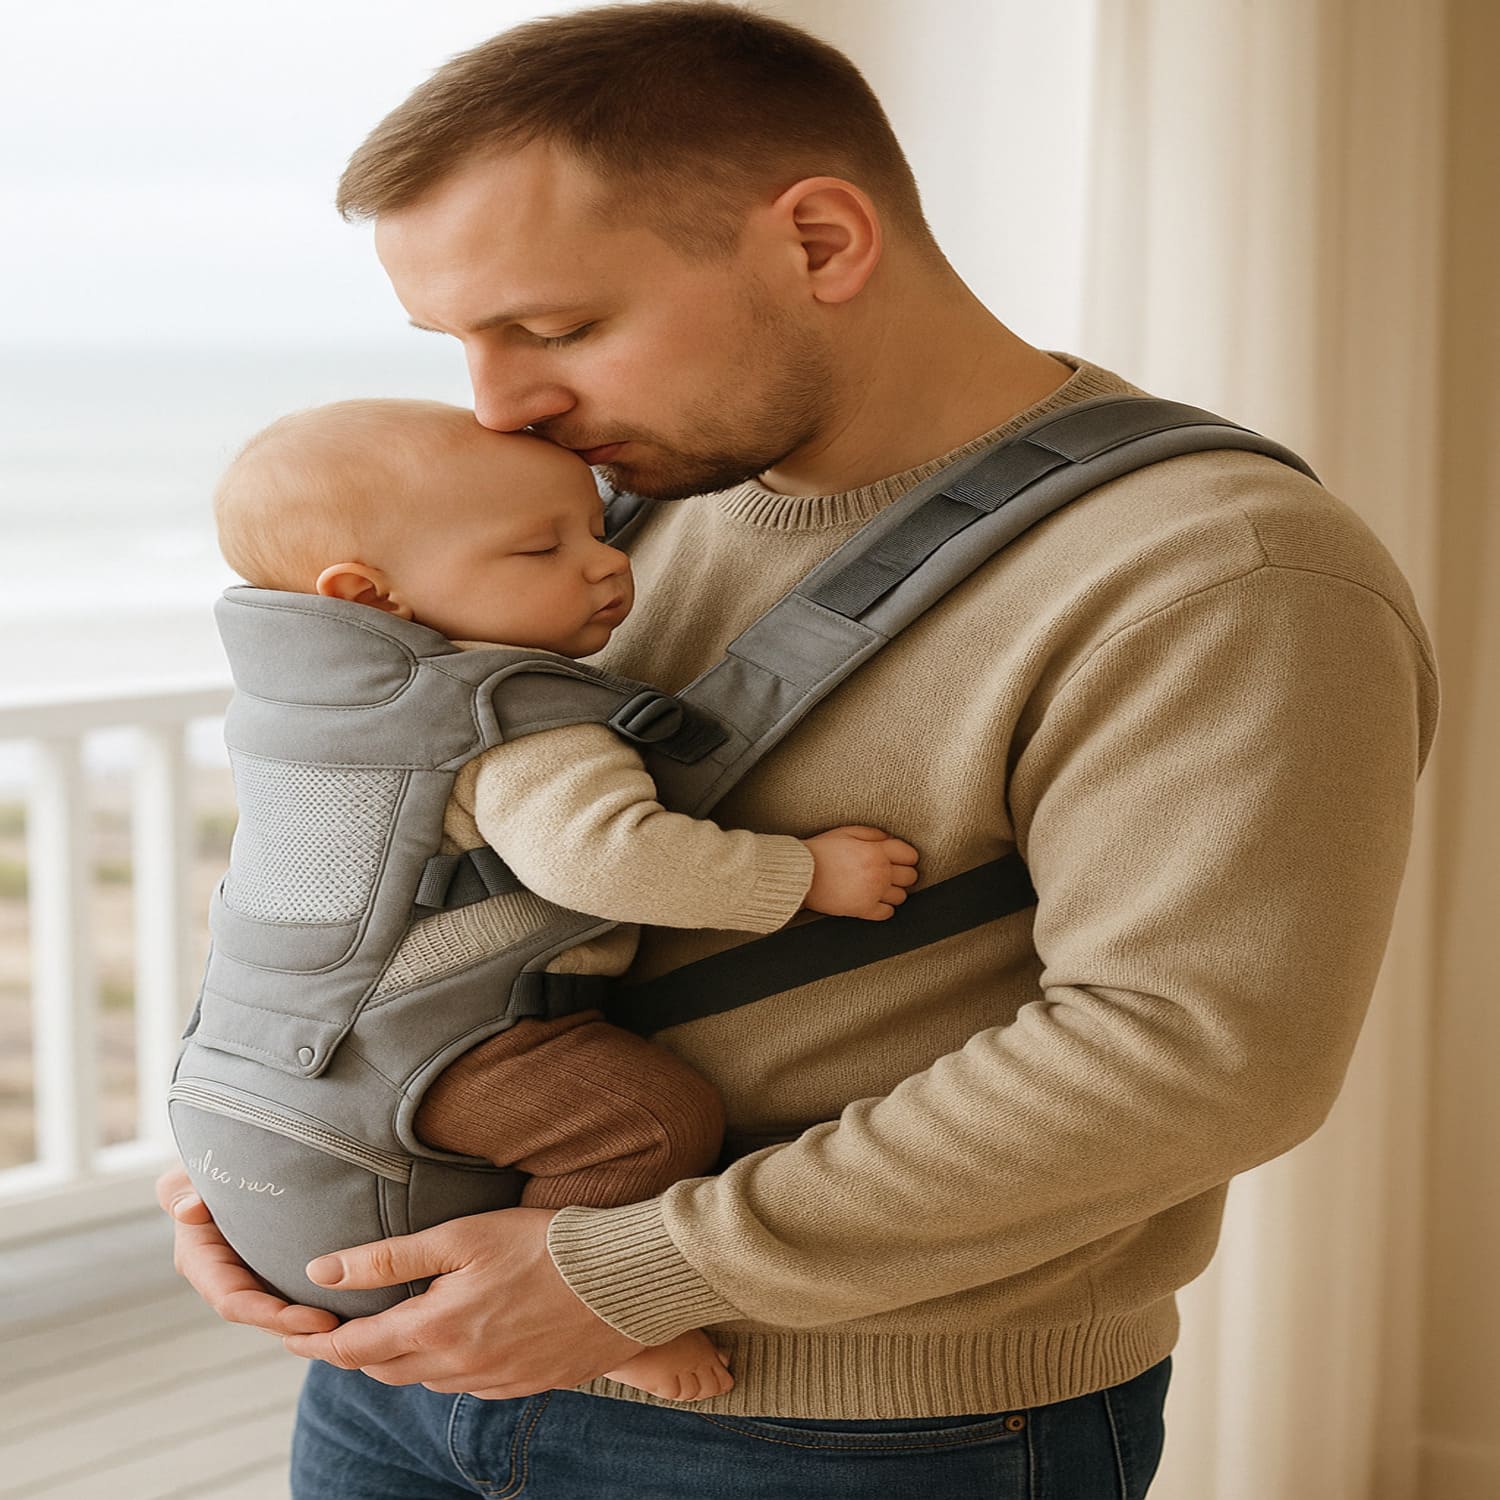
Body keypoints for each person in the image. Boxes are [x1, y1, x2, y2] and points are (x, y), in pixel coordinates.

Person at [157, 4, 1438, 1496]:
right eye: (460, 343)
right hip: (412, 1374)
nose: (501, 407)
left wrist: (626, 1274)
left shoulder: (1219, 573)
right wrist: (271, 1156)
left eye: (556, 329)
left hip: (866, 1427)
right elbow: (380, 812)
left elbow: (1196, 1057)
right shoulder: (592, 518)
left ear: (821, 243)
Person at [202, 395, 920, 1403]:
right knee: (646, 1121)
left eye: (598, 524)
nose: (609, 562)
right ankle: (604, 1316)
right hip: (436, 1045)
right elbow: (607, 860)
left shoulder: (296, 710)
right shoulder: (514, 715)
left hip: (254, 1057)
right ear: (371, 597)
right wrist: (801, 876)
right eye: (542, 549)